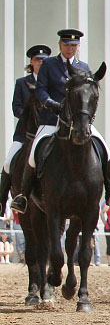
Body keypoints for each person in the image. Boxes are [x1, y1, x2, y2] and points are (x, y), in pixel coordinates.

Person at [11, 31, 110, 214]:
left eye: (73, 46)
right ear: (60, 45)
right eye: (66, 45)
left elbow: (87, 93)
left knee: (104, 148)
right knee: (33, 152)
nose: (69, 48)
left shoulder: (84, 67)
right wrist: (50, 104)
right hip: (51, 119)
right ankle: (23, 195)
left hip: (78, 121)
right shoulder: (48, 64)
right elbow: (41, 90)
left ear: (78, 47)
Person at [0, 45, 50, 210]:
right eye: (37, 60)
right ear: (31, 62)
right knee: (8, 162)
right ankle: (2, 201)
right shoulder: (22, 83)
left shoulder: (52, 82)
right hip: (26, 132)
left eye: (43, 60)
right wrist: (29, 118)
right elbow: (17, 107)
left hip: (48, 128)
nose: (40, 63)